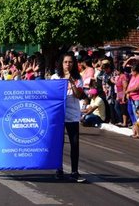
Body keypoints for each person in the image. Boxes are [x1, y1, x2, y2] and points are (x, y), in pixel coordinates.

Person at [51, 52, 86, 183]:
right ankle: (58, 170)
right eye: (65, 62)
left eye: (70, 62)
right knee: (58, 143)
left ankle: (74, 171)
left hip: (72, 115)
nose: (68, 64)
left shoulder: (78, 78)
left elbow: (78, 95)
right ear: (61, 63)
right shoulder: (55, 77)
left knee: (74, 143)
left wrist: (71, 81)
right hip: (59, 115)